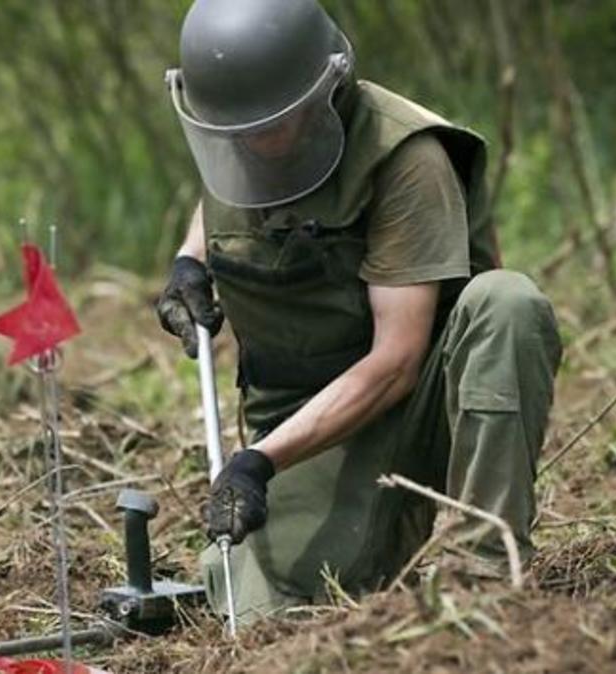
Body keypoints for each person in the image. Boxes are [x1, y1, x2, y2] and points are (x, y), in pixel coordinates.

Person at [156, 0, 562, 623]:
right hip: (304, 421)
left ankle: (486, 572)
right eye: (238, 134)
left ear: (327, 88)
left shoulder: (406, 162)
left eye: (272, 126)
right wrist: (191, 262)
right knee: (260, 600)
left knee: (507, 303)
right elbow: (230, 199)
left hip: (412, 406)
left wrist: (258, 463)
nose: (256, 145)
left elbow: (397, 363)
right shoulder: (242, 131)